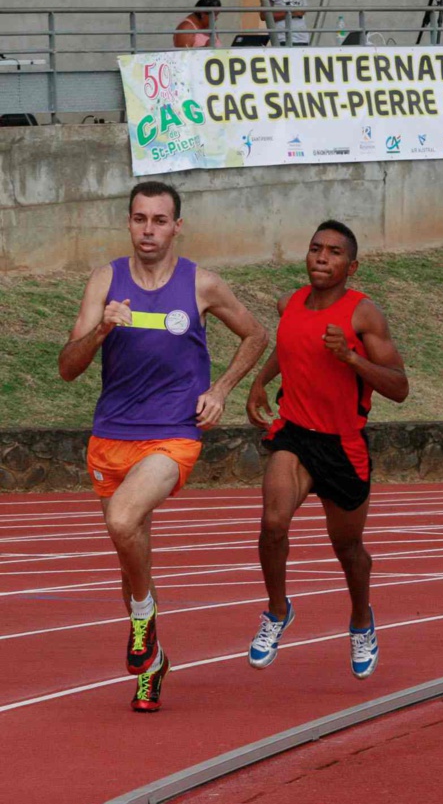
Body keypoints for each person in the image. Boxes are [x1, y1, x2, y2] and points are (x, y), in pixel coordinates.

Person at [58, 181, 268, 712]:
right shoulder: (106, 280)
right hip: (111, 434)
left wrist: (219, 391)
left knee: (123, 521)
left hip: (174, 432)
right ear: (128, 223)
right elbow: (67, 367)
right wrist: (101, 330)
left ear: (177, 226)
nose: (148, 230)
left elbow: (256, 333)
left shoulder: (203, 284)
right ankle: (151, 663)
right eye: (139, 219)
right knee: (131, 556)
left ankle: (143, 618)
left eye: (159, 220)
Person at [246, 220, 409, 679]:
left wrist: (352, 358)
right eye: (316, 248)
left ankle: (361, 620)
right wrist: (260, 383)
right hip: (294, 433)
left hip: (343, 444)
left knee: (348, 548)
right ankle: (277, 610)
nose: (322, 257)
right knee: (273, 523)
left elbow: (400, 387)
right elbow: (288, 344)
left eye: (334, 252)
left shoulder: (364, 315)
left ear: (351, 266)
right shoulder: (290, 303)